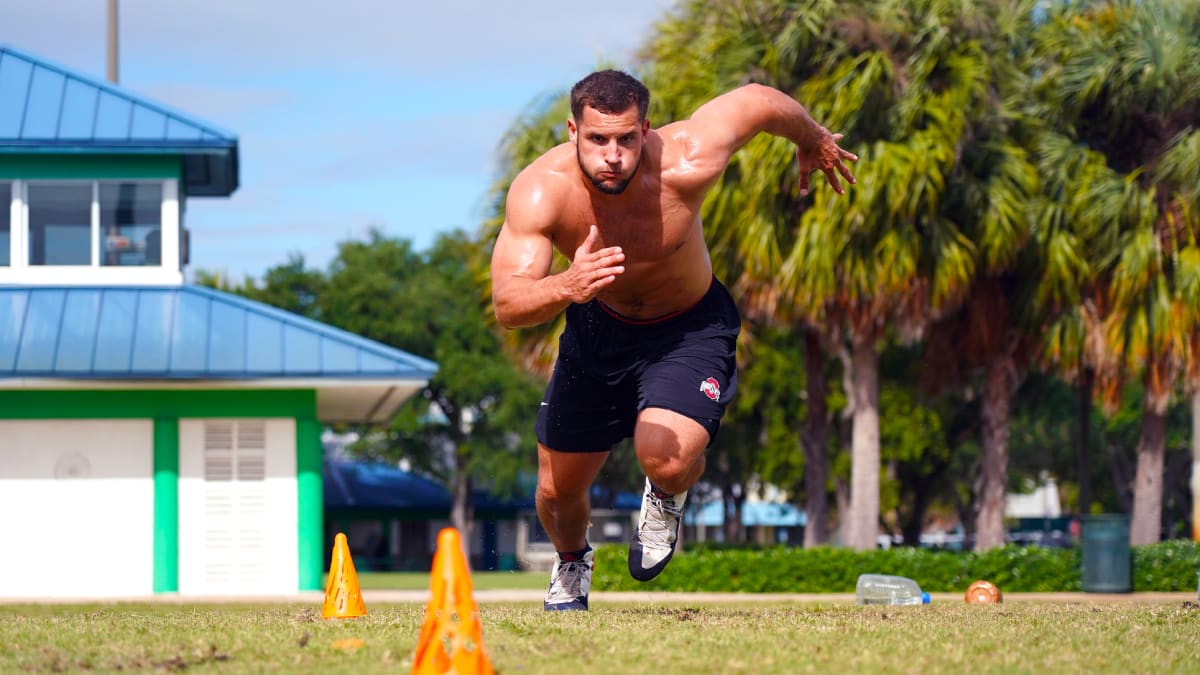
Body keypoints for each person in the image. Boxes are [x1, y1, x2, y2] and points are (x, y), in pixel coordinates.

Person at [490, 70, 857, 611]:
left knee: (665, 457)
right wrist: (568, 284)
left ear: (646, 129)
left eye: (626, 139)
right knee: (557, 491)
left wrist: (812, 138)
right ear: (572, 131)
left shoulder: (688, 157)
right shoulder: (542, 190)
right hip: (597, 331)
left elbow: (756, 102)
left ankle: (665, 497)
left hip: (688, 326)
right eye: (597, 140)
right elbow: (508, 305)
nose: (612, 155)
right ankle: (572, 563)